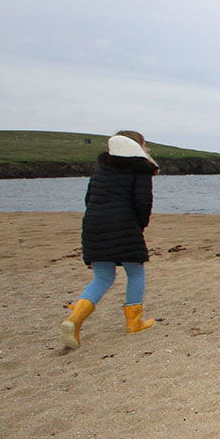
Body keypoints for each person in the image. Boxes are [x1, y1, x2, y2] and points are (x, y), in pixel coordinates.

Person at [60, 131, 158, 350]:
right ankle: (134, 322)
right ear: (139, 146)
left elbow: (89, 199)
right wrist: (139, 226)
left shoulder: (102, 169)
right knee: (135, 273)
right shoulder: (140, 169)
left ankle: (74, 320)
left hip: (93, 224)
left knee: (103, 277)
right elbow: (143, 203)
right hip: (124, 225)